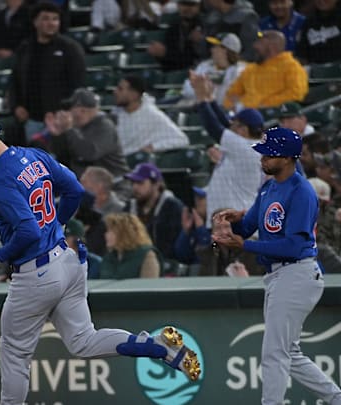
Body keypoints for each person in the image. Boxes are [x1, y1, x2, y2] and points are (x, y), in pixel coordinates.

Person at [0, 111, 201, 405]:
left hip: (35, 274)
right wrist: (59, 224)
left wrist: (0, 254)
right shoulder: (34, 155)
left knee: (15, 352)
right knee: (83, 341)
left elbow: (28, 231)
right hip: (67, 261)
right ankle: (155, 347)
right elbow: (75, 190)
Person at [212, 126, 341, 405]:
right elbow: (246, 228)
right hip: (279, 275)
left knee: (274, 352)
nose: (263, 158)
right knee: (288, 353)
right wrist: (228, 225)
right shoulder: (268, 187)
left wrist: (243, 245)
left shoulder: (302, 191)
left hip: (297, 272)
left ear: (287, 157)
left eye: (269, 154)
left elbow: (294, 246)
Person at [190, 71, 265, 226]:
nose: (231, 128)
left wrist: (201, 98)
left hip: (237, 225)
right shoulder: (247, 145)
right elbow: (224, 124)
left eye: (235, 125)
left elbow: (214, 128)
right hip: (230, 224)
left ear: (243, 130)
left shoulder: (248, 148)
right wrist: (210, 100)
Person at [8, 1, 86, 139]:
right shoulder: (25, 49)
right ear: (35, 22)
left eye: (55, 19)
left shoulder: (70, 48)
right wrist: (16, 106)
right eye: (45, 18)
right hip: (32, 119)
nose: (51, 23)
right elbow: (14, 81)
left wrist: (66, 110)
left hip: (61, 119)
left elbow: (78, 83)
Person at [43, 88, 129, 178]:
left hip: (114, 185)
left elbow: (89, 154)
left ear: (83, 111)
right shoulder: (77, 126)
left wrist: (69, 129)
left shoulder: (105, 126)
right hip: (88, 184)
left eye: (71, 108)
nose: (69, 113)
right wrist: (57, 135)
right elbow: (62, 155)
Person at [224, 30, 308, 111]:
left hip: (271, 116)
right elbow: (232, 94)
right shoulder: (251, 69)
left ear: (272, 47)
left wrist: (264, 104)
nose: (254, 46)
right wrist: (230, 106)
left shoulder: (292, 67)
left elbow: (296, 94)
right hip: (242, 115)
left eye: (259, 43)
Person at [113, 75, 189, 155]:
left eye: (120, 89)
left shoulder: (152, 115)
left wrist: (154, 147)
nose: (115, 92)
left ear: (134, 94)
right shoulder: (116, 113)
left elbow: (181, 140)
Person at [124, 162, 184, 262]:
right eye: (133, 183)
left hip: (163, 263)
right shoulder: (129, 207)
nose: (135, 187)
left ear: (156, 184)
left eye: (140, 183)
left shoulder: (172, 207)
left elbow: (172, 246)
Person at [180, 32, 245, 106]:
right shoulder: (205, 66)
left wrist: (206, 86)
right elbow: (187, 89)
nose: (212, 50)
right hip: (200, 108)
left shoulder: (241, 70)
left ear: (225, 50)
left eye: (215, 46)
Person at [98, 212, 162, 279]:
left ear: (125, 233)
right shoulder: (108, 257)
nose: (106, 235)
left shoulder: (147, 255)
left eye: (111, 231)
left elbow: (149, 286)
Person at [146, 0, 204, 71]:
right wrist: (162, 54)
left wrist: (201, 43)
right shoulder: (174, 28)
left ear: (198, 6)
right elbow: (172, 61)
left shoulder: (205, 25)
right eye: (184, 4)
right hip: (178, 73)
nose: (187, 8)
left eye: (191, 5)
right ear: (178, 5)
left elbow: (197, 58)